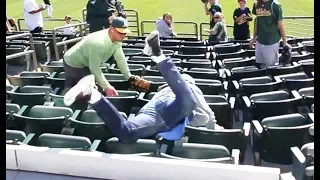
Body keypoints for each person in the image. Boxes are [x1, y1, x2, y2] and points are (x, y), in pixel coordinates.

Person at [63, 30, 223, 143]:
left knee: (126, 134)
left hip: (158, 115)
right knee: (188, 101)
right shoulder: (189, 87)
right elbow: (206, 112)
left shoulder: (173, 89)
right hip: (169, 109)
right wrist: (214, 126)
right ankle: (158, 55)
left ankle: (93, 96)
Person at [63, 17, 151, 98]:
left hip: (87, 62)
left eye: (125, 32)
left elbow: (121, 59)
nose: (123, 35)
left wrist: (129, 77)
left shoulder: (116, 40)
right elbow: (94, 67)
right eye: (120, 32)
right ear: (112, 29)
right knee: (85, 92)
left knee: (96, 90)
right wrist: (107, 86)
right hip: (74, 63)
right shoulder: (98, 43)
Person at [249, 0, 288, 68]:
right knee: (260, 65)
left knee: (271, 67)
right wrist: (253, 38)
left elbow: (280, 24)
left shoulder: (275, 5)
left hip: (271, 41)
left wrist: (284, 40)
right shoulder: (256, 4)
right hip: (260, 41)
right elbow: (257, 22)